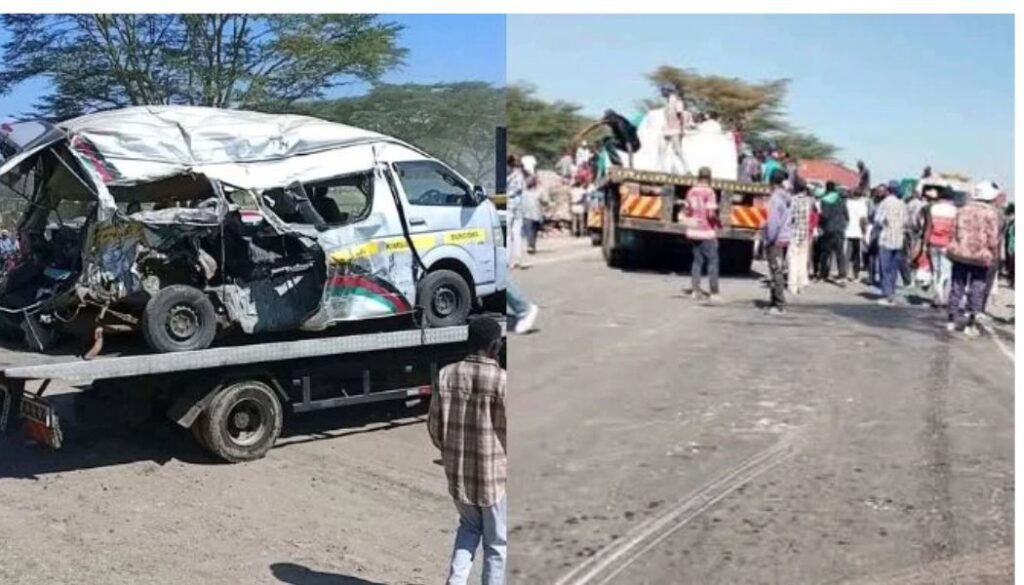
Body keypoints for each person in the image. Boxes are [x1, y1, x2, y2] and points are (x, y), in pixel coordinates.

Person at [428, 317, 507, 585]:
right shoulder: (502, 381)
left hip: (459, 474)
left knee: (469, 529)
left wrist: (451, 452)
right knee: (496, 544)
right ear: (495, 346)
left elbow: (435, 428)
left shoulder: (445, 376)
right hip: (495, 479)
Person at [945, 183, 1002, 336]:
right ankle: (969, 324)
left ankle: (951, 319)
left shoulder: (962, 210)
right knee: (977, 287)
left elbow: (953, 231)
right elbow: (993, 238)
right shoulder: (991, 213)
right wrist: (995, 254)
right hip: (980, 255)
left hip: (960, 253)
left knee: (957, 285)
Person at [683, 167, 721, 301]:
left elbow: (686, 211)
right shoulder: (710, 193)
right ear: (709, 178)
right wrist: (717, 222)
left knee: (697, 261)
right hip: (707, 232)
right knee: (712, 261)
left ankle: (695, 290)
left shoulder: (691, 191)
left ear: (698, 177)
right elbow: (711, 214)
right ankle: (714, 292)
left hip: (694, 230)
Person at [874, 183, 909, 305]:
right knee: (894, 269)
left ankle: (886, 294)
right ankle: (892, 293)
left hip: (886, 238)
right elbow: (906, 221)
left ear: (888, 191)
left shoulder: (885, 203)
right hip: (898, 239)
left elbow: (878, 220)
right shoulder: (902, 204)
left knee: (884, 268)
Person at [763, 168, 792, 313]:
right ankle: (775, 302)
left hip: (775, 240)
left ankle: (778, 304)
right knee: (778, 270)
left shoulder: (775, 199)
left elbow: (773, 223)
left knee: (775, 272)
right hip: (784, 238)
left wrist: (768, 239)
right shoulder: (785, 197)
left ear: (771, 180)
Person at [922, 186, 956, 307]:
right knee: (946, 272)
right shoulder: (954, 211)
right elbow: (954, 230)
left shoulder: (933, 208)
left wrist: (924, 245)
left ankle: (936, 298)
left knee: (936, 271)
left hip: (933, 242)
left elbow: (928, 228)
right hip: (947, 244)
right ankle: (945, 299)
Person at [815, 181, 849, 284]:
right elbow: (846, 215)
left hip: (828, 229)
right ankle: (842, 275)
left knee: (825, 253)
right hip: (839, 229)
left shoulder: (824, 200)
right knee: (840, 253)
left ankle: (823, 274)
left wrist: (820, 224)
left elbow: (824, 216)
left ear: (826, 188)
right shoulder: (841, 200)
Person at [787, 178, 813, 295]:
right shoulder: (809, 201)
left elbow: (790, 217)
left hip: (794, 233)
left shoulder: (793, 200)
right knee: (802, 261)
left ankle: (792, 286)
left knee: (792, 260)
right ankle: (801, 284)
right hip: (805, 234)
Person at [505, 155, 526, 269]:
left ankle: (509, 260)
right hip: (518, 205)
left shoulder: (509, 177)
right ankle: (517, 259)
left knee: (509, 234)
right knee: (516, 233)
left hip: (511, 205)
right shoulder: (520, 175)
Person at [845, 186, 869, 282]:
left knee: (847, 253)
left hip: (848, 230)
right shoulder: (862, 205)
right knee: (856, 255)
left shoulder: (847, 203)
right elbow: (863, 220)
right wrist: (864, 232)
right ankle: (856, 274)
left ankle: (845, 273)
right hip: (858, 232)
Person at [521, 174, 549, 254]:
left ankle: (532, 245)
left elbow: (545, 201)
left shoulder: (539, 191)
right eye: (528, 181)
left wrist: (544, 204)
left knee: (534, 231)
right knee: (529, 230)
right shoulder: (523, 192)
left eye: (531, 181)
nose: (529, 183)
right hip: (526, 214)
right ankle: (530, 246)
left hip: (537, 214)